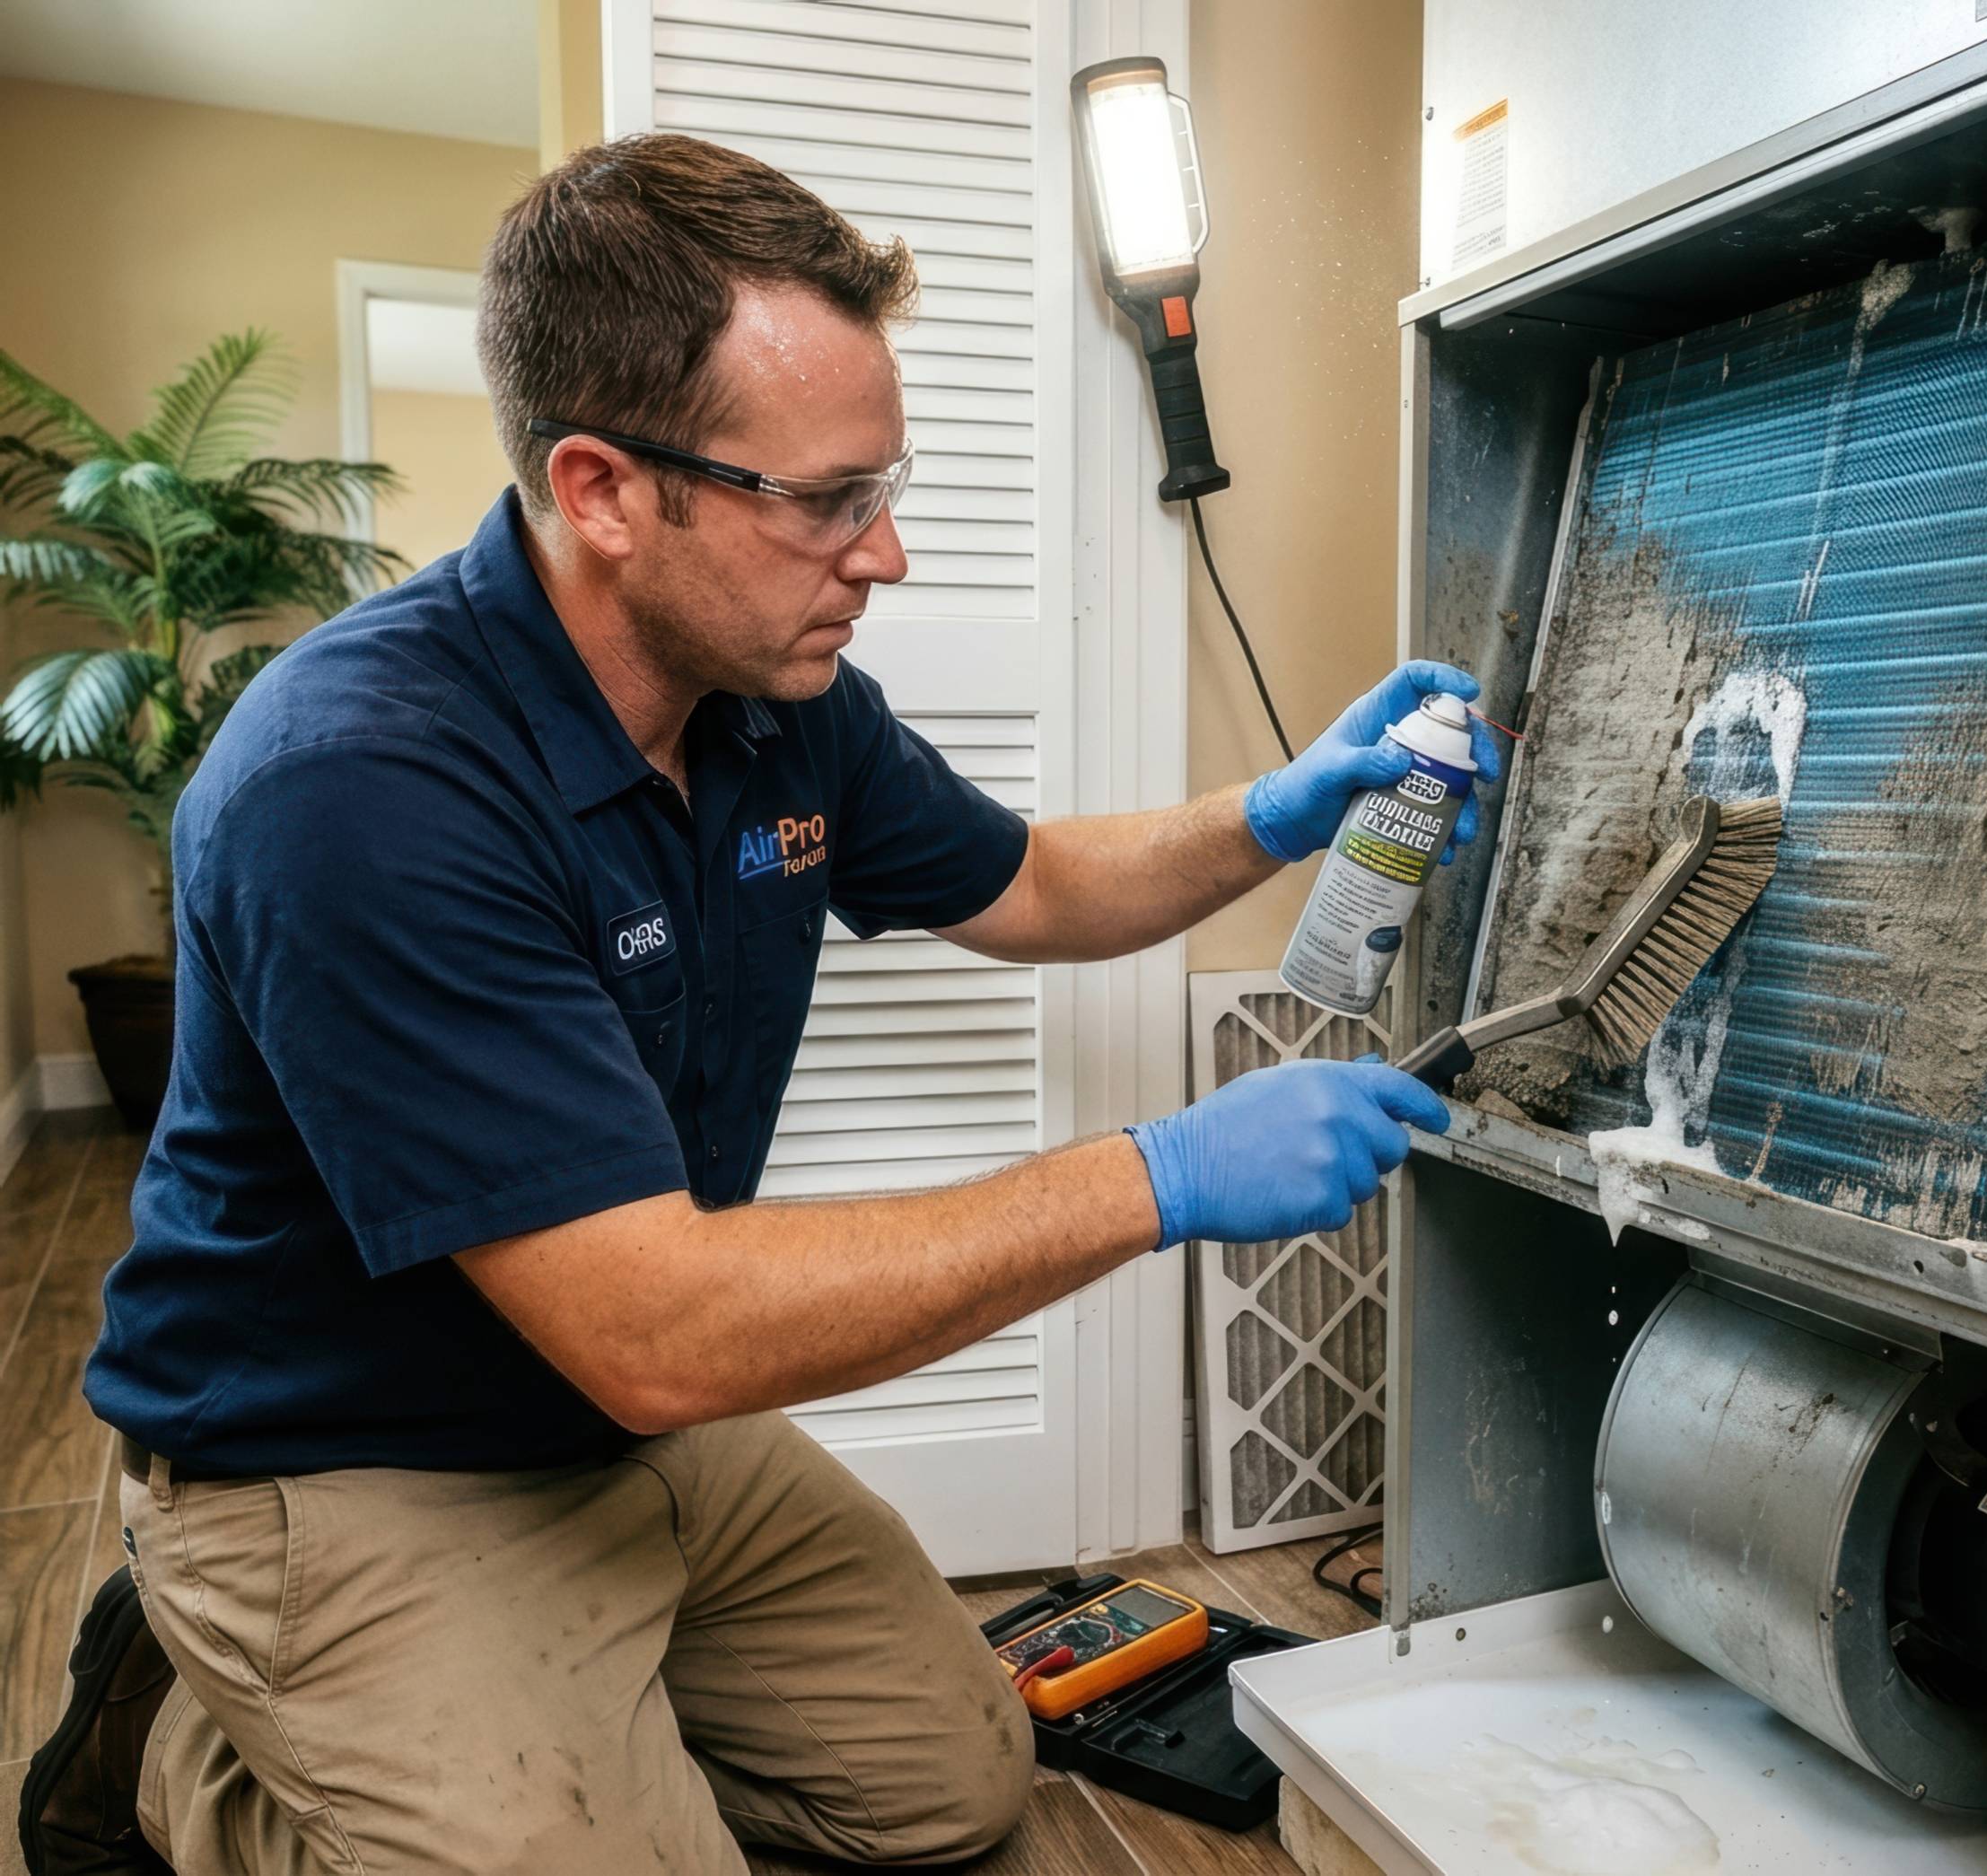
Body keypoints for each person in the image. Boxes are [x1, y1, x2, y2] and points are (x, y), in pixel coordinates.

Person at [20, 133, 1496, 1876]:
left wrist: (1275, 811)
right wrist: (1154, 1178)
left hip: (616, 1418)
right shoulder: (363, 783)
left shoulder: (773, 697)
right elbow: (653, 1318)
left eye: (884, 482)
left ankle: (561, 1712)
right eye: (826, 500)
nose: (884, 555)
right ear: (601, 489)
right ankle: (208, 1752)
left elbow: (1027, 881)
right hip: (345, 1463)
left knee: (951, 1781)